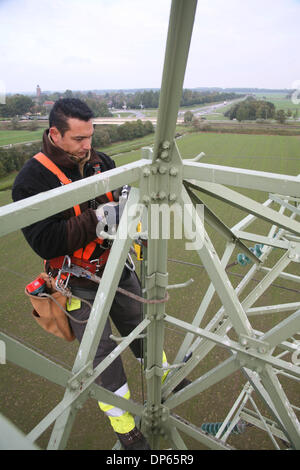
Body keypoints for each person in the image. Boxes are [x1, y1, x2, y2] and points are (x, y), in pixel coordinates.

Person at [12, 98, 151, 450]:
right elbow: (47, 241)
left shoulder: (102, 162)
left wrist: (133, 221)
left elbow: (124, 205)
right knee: (104, 359)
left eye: (90, 136)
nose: (87, 146)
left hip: (117, 268)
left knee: (144, 329)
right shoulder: (31, 181)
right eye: (78, 139)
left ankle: (169, 378)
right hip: (77, 285)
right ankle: (126, 429)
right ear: (54, 134)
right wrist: (102, 216)